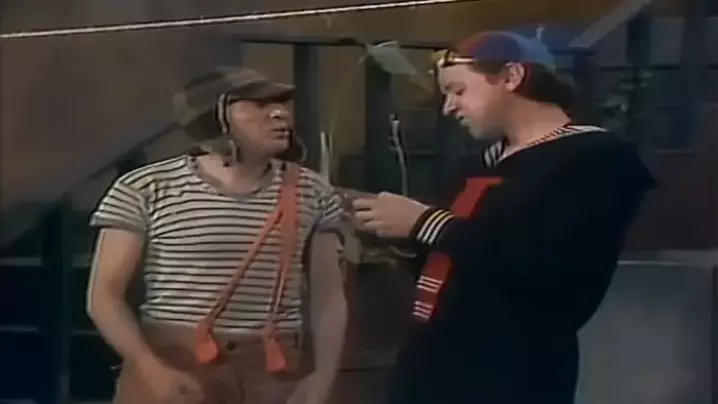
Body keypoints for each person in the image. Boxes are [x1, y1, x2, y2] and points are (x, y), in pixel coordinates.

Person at [352, 31, 655, 404]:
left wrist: (425, 223)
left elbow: (540, 264)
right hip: (432, 368)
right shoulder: (482, 163)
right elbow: (463, 260)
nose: (449, 108)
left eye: (458, 90)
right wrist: (396, 237)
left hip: (510, 374)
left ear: (511, 77)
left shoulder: (595, 159)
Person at [86, 67, 348, 404]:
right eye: (257, 105)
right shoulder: (146, 187)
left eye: (281, 103)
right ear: (215, 118)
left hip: (271, 368)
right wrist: (150, 367)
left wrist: (323, 376)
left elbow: (328, 296)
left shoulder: (312, 190)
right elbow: (103, 296)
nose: (280, 113)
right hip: (173, 360)